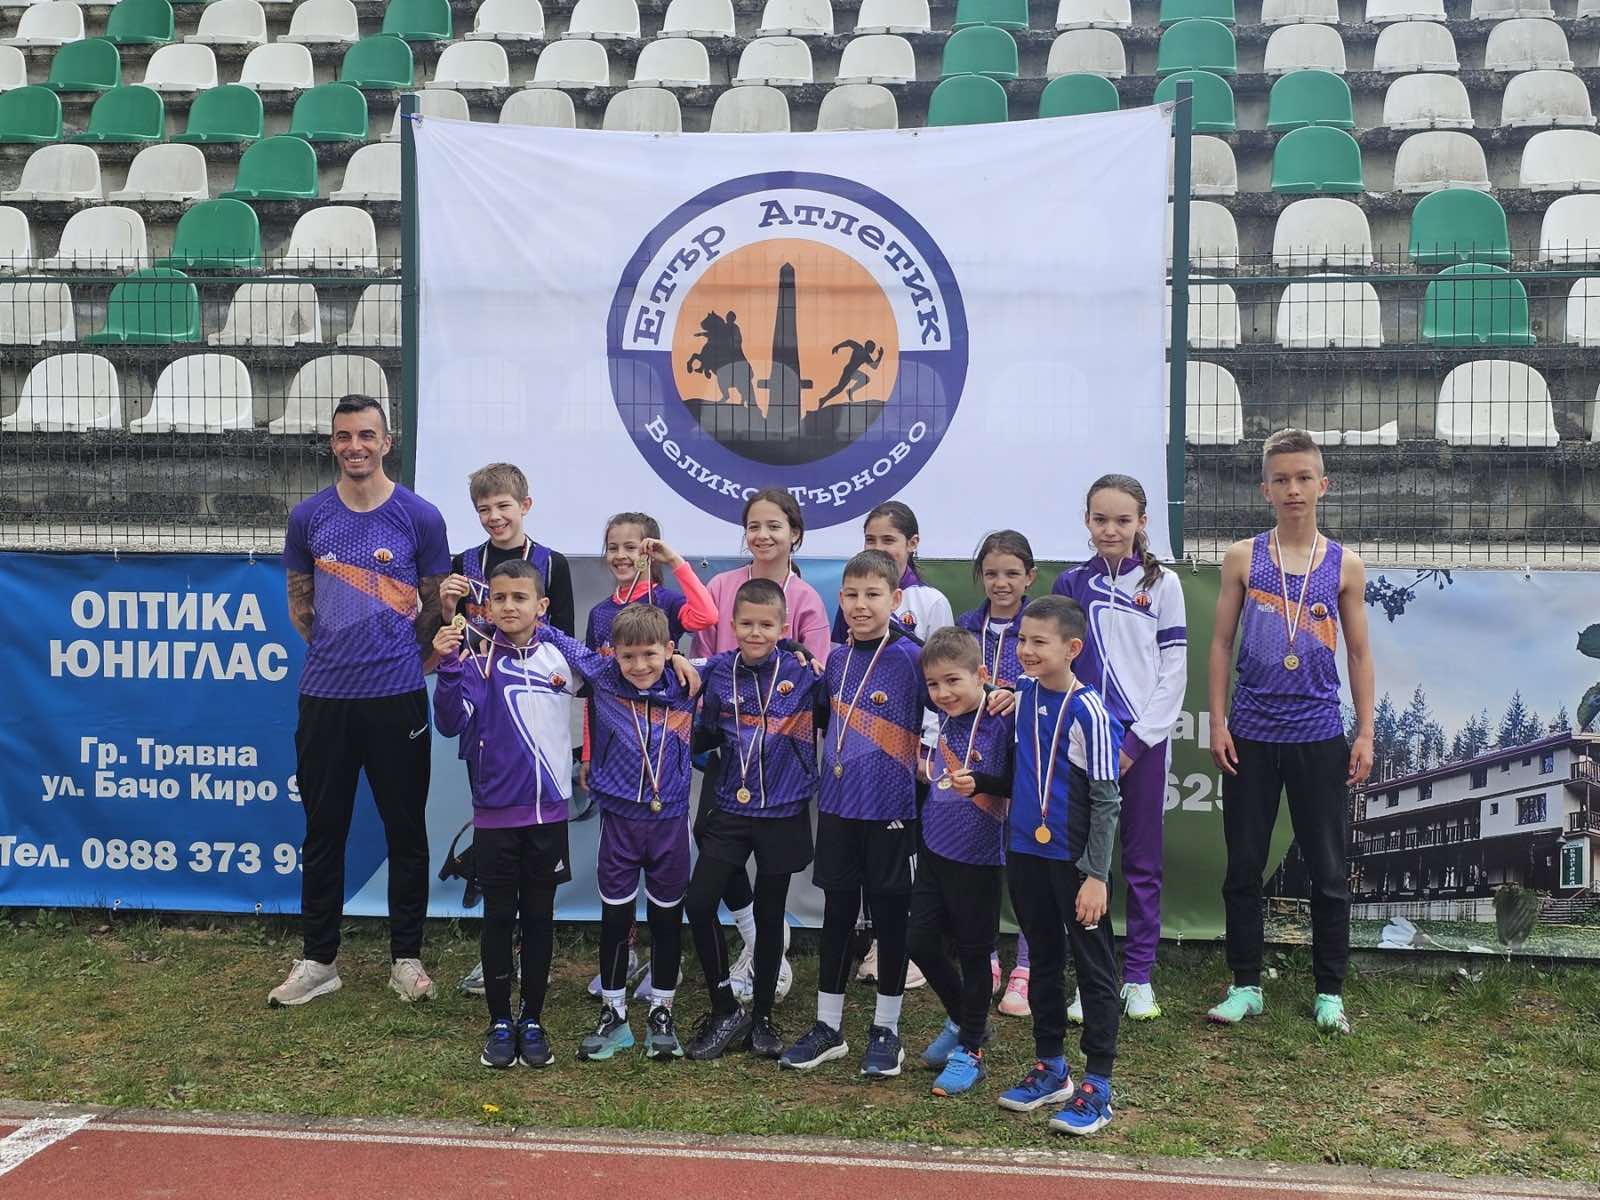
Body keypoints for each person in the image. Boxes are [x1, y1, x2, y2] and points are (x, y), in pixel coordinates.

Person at [269, 394, 449, 1008]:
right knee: (324, 831)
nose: (355, 447)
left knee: (407, 832)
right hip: (326, 698)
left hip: (398, 699)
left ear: (386, 442)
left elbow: (434, 607)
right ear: (332, 444)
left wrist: (401, 661)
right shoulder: (309, 516)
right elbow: (301, 608)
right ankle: (319, 960)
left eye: (366, 435)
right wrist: (341, 654)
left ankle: (407, 959)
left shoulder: (420, 517)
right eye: (344, 436)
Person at [1206, 429, 1374, 1036]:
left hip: (1318, 733)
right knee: (1244, 866)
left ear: (1323, 485)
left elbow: (1359, 653)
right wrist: (1218, 721)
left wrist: (1365, 732)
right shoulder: (1242, 557)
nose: (1294, 489)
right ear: (1265, 489)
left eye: (1304, 478)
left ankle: (1329, 992)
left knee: (1327, 869)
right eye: (1282, 479)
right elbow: (1221, 643)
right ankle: (1245, 985)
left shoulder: (1344, 564)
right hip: (1251, 732)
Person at [779, 550, 926, 1078]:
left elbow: (956, 702)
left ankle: (887, 1030)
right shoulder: (837, 661)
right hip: (839, 806)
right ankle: (828, 1027)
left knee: (890, 918)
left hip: (892, 810)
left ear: (896, 598)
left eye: (873, 595)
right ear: (840, 599)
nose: (861, 605)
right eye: (852, 595)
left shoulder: (913, 659)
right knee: (838, 914)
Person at [1052, 475, 1187, 1022]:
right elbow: (1056, 663)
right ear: (1086, 521)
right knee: (1089, 863)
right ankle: (1094, 977)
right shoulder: (1070, 582)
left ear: (1142, 522)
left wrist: (1136, 740)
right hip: (1084, 740)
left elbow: (1174, 670)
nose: (1110, 530)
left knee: (1142, 862)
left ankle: (1139, 976)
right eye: (1100, 519)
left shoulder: (1163, 584)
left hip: (1143, 742)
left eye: (1122, 520)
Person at [691, 488, 828, 1001]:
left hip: (779, 760)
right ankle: (752, 935)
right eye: (754, 526)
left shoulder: (807, 598)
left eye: (774, 525)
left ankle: (764, 945)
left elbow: (814, 673)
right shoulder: (721, 585)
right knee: (708, 837)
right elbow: (704, 660)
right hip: (730, 750)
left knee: (771, 874)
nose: (763, 535)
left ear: (795, 533)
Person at [997, 595, 1123, 1136]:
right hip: (1026, 853)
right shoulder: (1022, 693)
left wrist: (1095, 874)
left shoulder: (1088, 711)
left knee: (1094, 969)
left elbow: (1106, 800)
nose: (1026, 650)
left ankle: (1099, 1084)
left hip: (1074, 862)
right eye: (1022, 640)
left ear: (1072, 648)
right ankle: (1051, 1067)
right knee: (1043, 960)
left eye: (1038, 642)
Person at [684, 579, 824, 1061]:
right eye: (746, 623)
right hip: (730, 805)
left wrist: (803, 651)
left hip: (783, 811)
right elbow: (703, 731)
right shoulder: (718, 671)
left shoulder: (804, 673)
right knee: (699, 902)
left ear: (783, 627)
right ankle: (725, 1007)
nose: (756, 633)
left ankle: (762, 1016)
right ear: (732, 624)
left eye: (767, 625)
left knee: (769, 914)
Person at [579, 516, 717, 1000]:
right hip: (617, 756)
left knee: (664, 876)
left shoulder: (667, 600)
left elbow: (706, 617)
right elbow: (594, 691)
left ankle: (665, 968)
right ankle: (629, 955)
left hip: (662, 752)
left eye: (633, 547)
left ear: (649, 551)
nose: (622, 556)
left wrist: (674, 562)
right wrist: (590, 753)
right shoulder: (600, 614)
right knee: (620, 872)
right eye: (613, 546)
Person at [829, 501, 951, 993]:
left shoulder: (929, 603)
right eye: (870, 539)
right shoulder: (850, 619)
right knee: (857, 864)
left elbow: (940, 681)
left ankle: (895, 946)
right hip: (854, 760)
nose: (879, 547)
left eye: (888, 540)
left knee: (898, 864)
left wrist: (927, 748)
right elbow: (839, 674)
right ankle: (867, 939)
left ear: (911, 544)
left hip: (908, 754)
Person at [577, 604, 702, 1063]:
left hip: (669, 825)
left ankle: (661, 1013)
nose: (639, 665)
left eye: (650, 654)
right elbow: (557, 639)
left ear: (668, 649)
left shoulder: (689, 684)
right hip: (620, 823)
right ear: (614, 655)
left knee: (667, 920)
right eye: (627, 656)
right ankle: (614, 1015)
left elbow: (745, 653)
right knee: (615, 920)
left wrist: (795, 649)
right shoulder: (604, 678)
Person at [909, 627, 1015, 1098]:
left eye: (953, 681)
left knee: (974, 954)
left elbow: (1018, 781)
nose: (943, 693)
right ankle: (963, 1020)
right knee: (919, 941)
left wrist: (985, 783)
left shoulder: (1002, 716)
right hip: (935, 846)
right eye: (934, 684)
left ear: (981, 674)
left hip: (979, 855)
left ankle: (971, 1050)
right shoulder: (943, 713)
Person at [957, 529, 1038, 1015]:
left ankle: (1025, 968)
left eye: (1011, 573)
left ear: (1030, 577)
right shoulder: (967, 626)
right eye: (991, 573)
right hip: (977, 763)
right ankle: (985, 957)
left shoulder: (1040, 624)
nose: (1001, 582)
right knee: (980, 866)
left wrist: (1018, 694)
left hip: (1028, 763)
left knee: (1026, 868)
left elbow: (1057, 680)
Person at [439, 463, 574, 638]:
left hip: (534, 656)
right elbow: (452, 636)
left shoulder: (551, 564)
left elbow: (566, 637)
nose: (494, 516)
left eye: (503, 506)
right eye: (484, 509)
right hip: (477, 657)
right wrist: (447, 610)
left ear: (525, 505)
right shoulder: (463, 563)